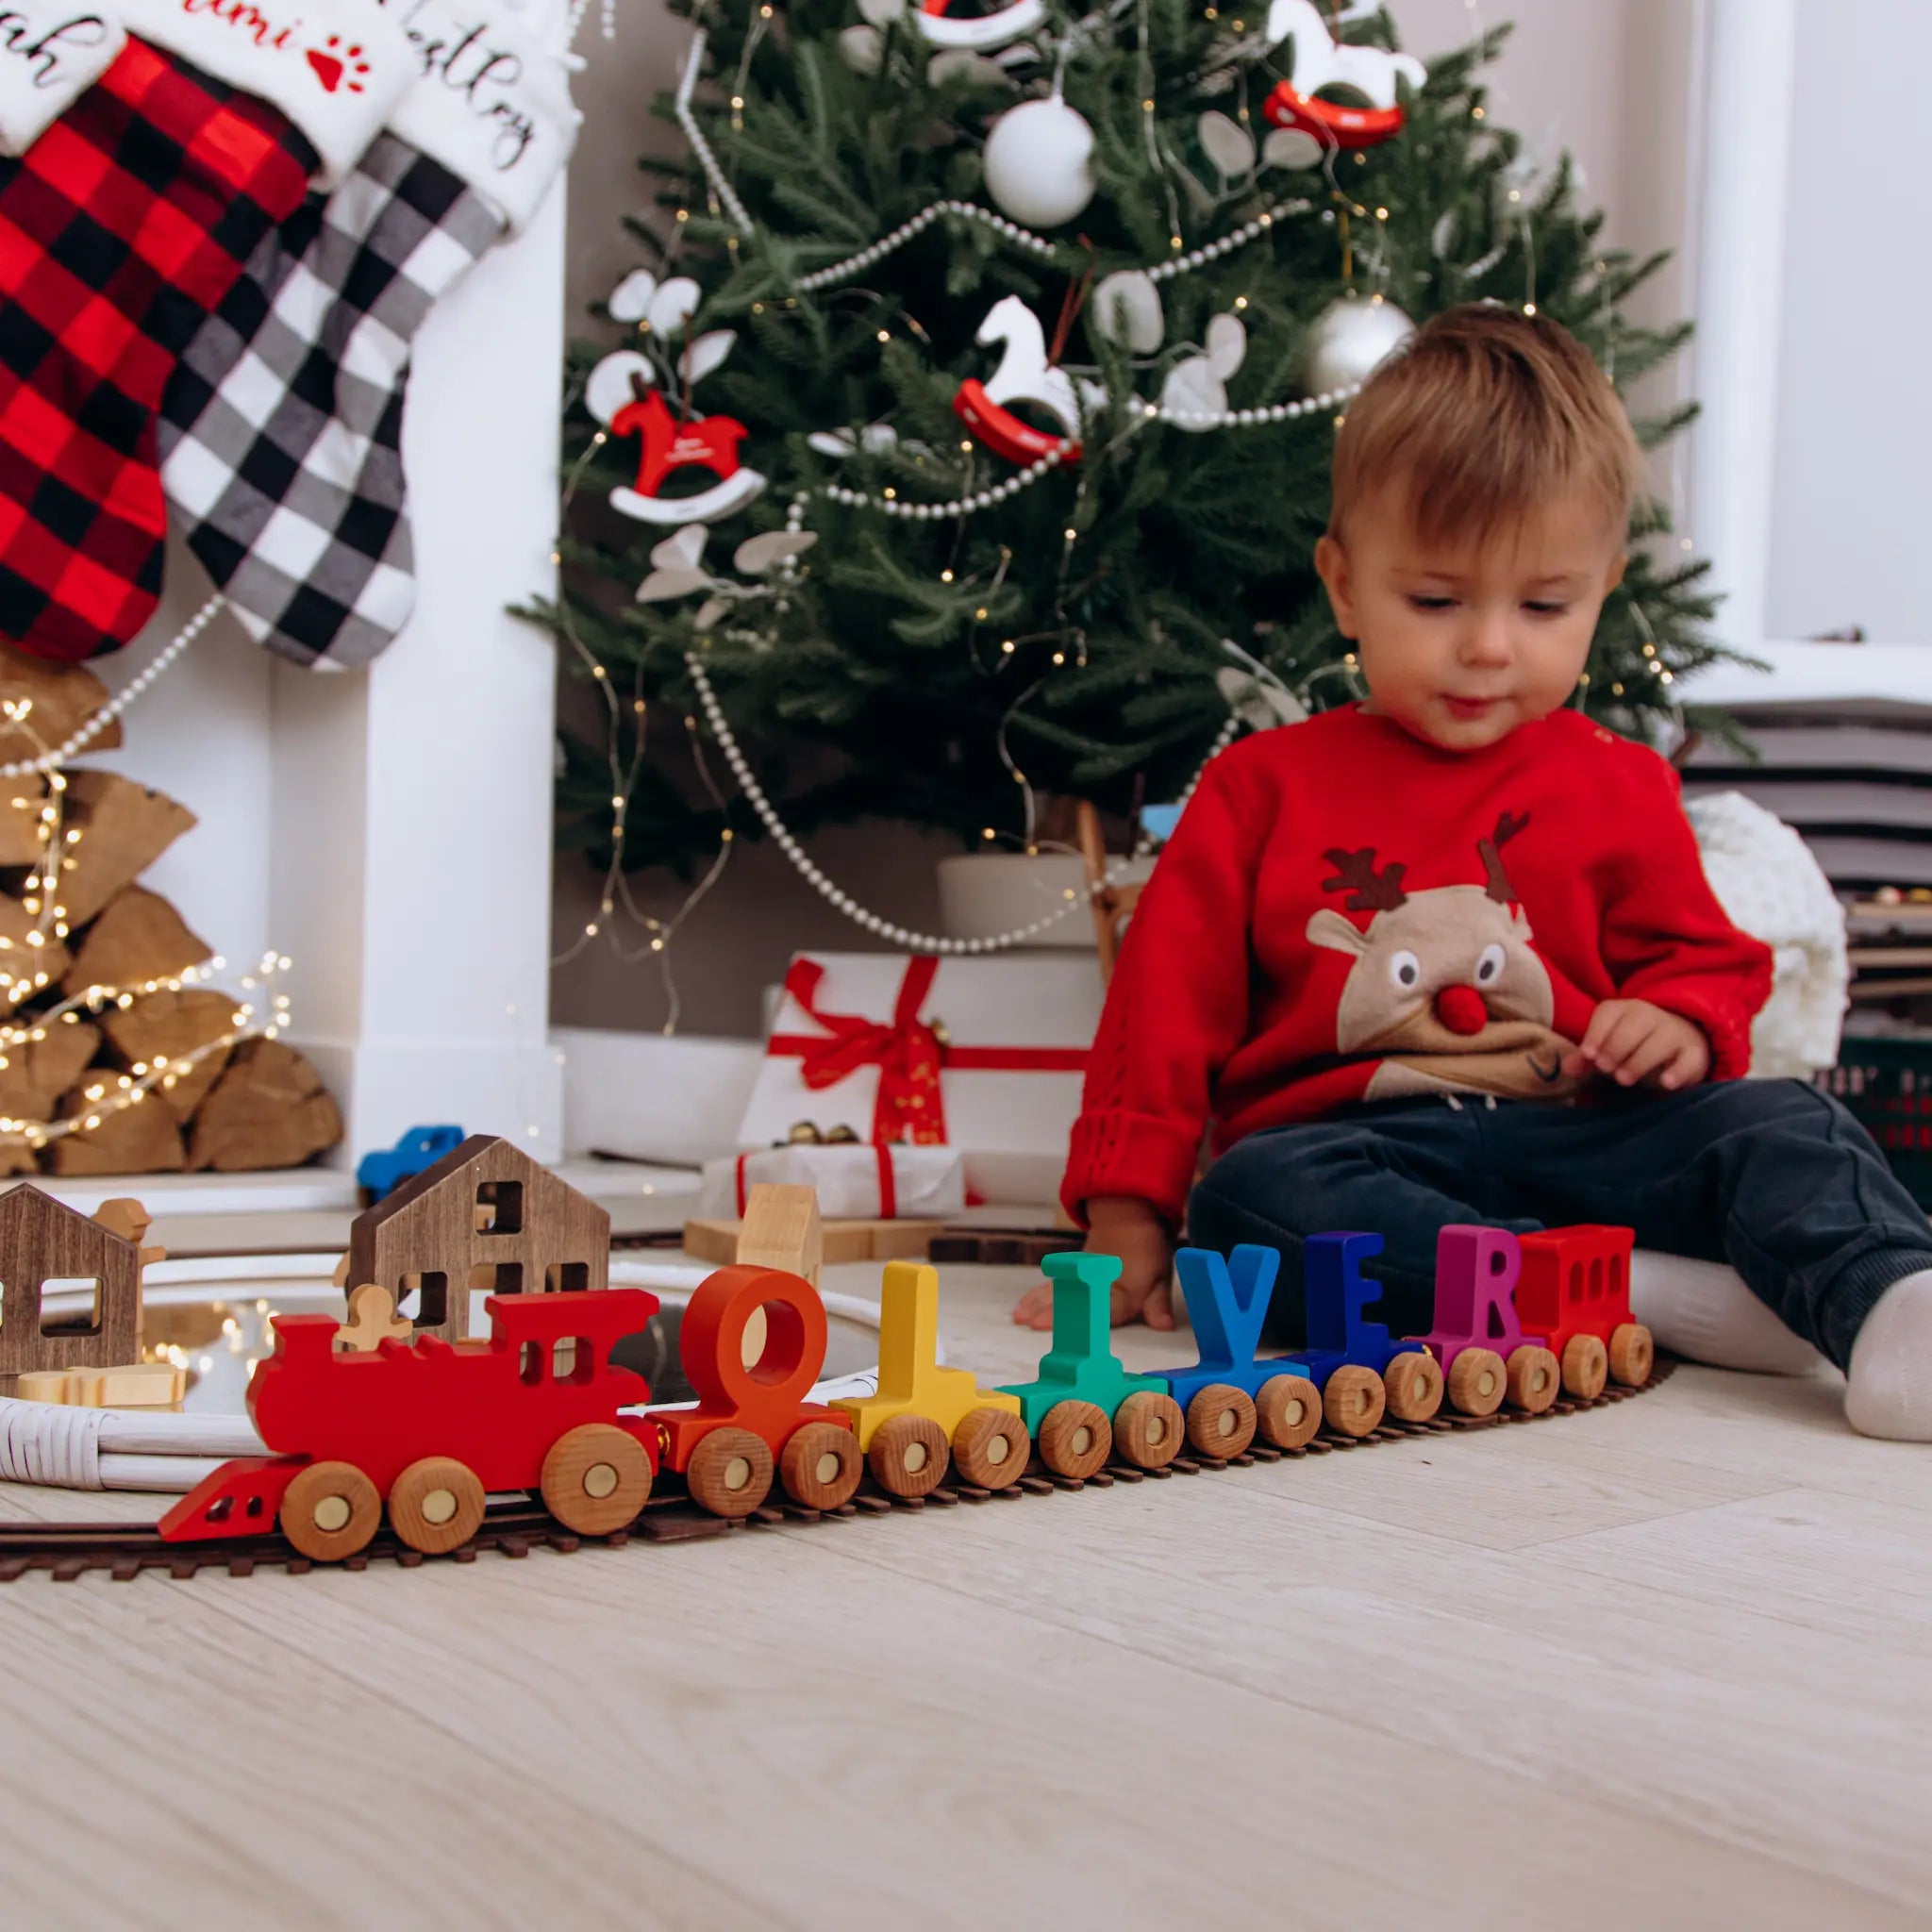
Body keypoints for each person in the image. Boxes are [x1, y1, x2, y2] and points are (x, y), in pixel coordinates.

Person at [1016, 304, 1932, 1441]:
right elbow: (1161, 1012)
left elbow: (1706, 962)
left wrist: (1678, 1023)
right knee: (1249, 1205)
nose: (1489, 644)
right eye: (1435, 600)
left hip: (1585, 1135)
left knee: (1787, 1120)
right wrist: (1127, 1210)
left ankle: (1890, 1304)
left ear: (1599, 594)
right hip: (1361, 1151)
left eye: (1543, 604)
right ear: (1345, 587)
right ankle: (1631, 1295)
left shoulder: (1621, 782)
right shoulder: (1261, 787)